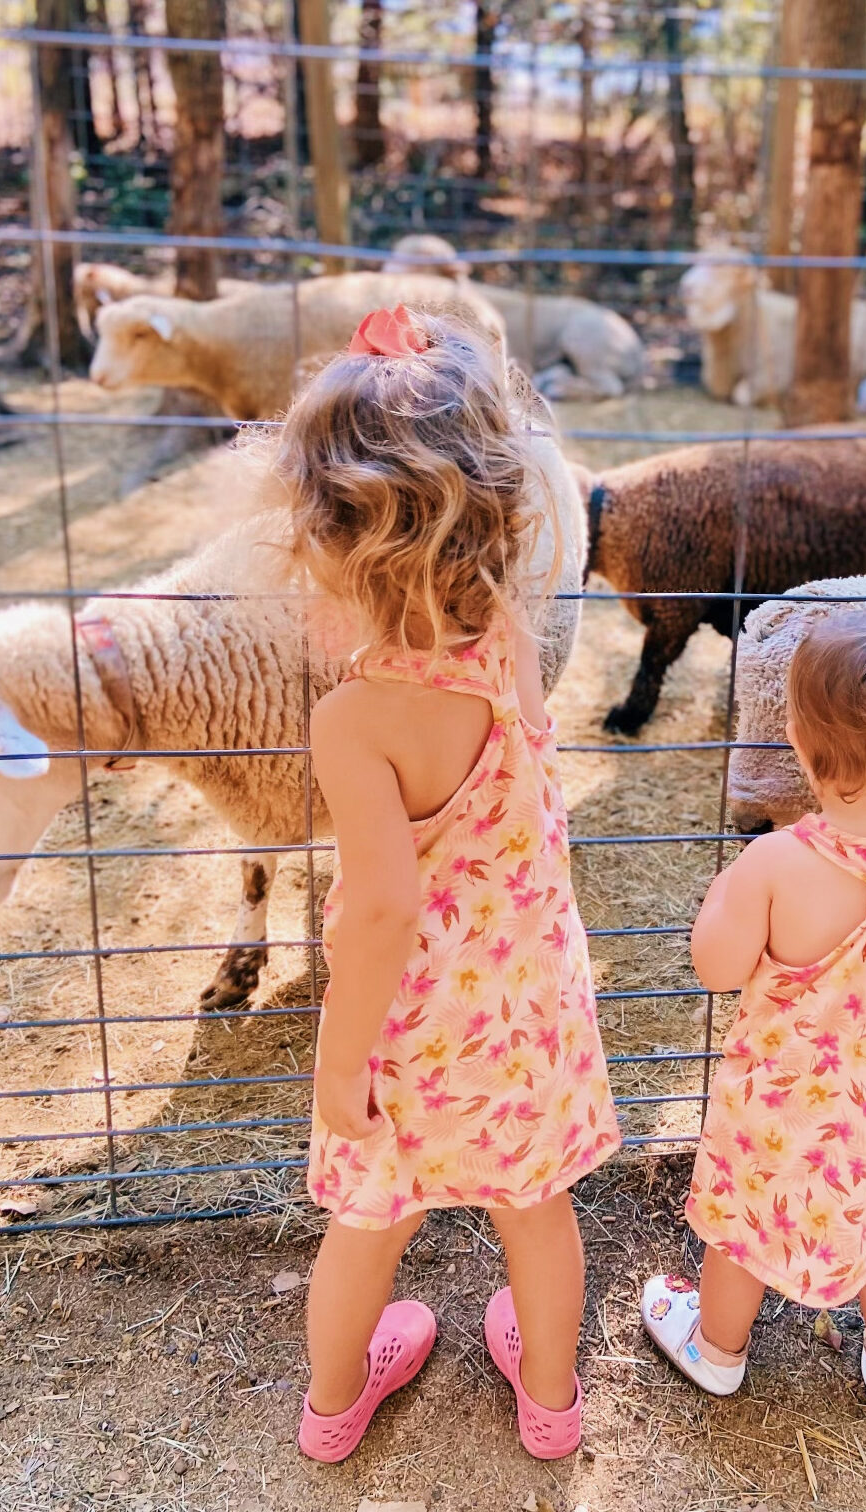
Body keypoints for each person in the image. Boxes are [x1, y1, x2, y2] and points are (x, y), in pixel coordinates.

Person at [279, 305, 619, 1463]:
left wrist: (339, 1067)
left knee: (367, 1227)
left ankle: (334, 1408)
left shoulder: (355, 720)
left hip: (407, 1036)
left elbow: (380, 910)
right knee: (537, 1213)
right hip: (521, 1010)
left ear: (329, 542)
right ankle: (552, 1397)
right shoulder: (511, 641)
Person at [641, 610, 866, 1407]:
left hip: (786, 1104)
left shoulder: (775, 862)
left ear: (794, 736)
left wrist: (730, 893)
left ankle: (717, 1349)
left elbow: (716, 968)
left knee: (743, 1228)